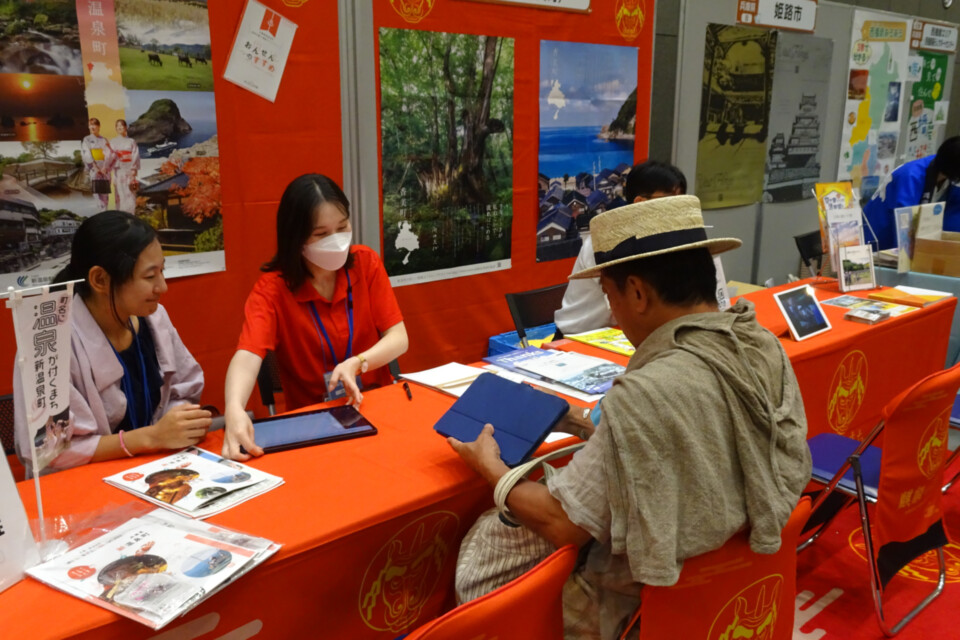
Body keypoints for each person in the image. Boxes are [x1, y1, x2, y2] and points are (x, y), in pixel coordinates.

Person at [449, 195, 811, 639]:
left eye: (609, 296)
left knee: (491, 552)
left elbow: (564, 523)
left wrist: (491, 468)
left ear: (637, 293)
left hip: (639, 611)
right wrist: (583, 422)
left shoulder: (645, 394)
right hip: (735, 590)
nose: (614, 315)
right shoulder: (761, 345)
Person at [222, 174, 408, 461]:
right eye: (321, 234)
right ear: (296, 238)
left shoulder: (366, 263)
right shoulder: (273, 290)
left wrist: (358, 362)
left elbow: (399, 338)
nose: (336, 241)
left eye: (342, 227)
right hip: (313, 422)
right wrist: (234, 408)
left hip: (375, 406)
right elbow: (248, 355)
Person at [13, 211, 210, 476]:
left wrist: (179, 423)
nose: (162, 287)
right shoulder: (49, 341)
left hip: (155, 468)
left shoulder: (155, 318)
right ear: (100, 279)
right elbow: (48, 447)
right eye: (150, 277)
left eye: (162, 271)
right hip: (83, 483)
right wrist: (149, 437)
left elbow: (183, 390)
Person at [554, 160, 687, 336]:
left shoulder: (666, 236)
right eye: (671, 202)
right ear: (640, 202)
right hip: (579, 337)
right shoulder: (607, 239)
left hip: (622, 333)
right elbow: (627, 306)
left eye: (682, 201)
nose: (678, 210)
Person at [863, 136, 960, 250]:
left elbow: (953, 221)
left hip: (913, 237)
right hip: (879, 234)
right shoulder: (911, 176)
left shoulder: (947, 169)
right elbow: (904, 225)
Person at [81, 117, 114, 212]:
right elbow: (86, 153)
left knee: (105, 195)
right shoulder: (87, 139)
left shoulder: (104, 140)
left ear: (99, 126)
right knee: (97, 195)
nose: (92, 127)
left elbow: (109, 154)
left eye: (94, 125)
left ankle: (105, 212)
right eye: (90, 125)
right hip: (94, 169)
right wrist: (95, 167)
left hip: (104, 170)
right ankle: (101, 213)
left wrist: (105, 167)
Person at [110, 119, 141, 214]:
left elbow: (135, 155)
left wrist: (134, 169)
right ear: (116, 128)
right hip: (118, 171)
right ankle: (121, 216)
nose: (119, 127)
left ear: (126, 127)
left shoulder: (131, 141)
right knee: (120, 195)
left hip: (129, 170)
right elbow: (110, 157)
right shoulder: (113, 142)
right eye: (117, 126)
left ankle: (131, 215)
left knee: (130, 194)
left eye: (121, 125)